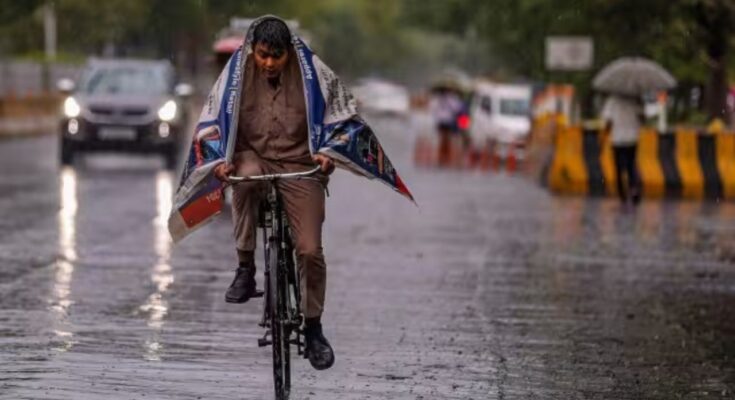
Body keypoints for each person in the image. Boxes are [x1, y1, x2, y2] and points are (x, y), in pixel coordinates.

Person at [212, 18, 336, 371]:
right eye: (263, 56)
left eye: (276, 57)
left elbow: (339, 121)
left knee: (310, 251)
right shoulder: (235, 77)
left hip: (301, 164)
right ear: (253, 52)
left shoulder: (314, 75)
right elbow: (215, 123)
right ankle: (245, 267)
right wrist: (222, 161)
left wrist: (328, 155)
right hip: (254, 158)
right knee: (243, 179)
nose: (268, 63)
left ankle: (313, 328)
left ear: (289, 54)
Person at [601, 94, 643, 205]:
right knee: (631, 165)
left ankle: (622, 194)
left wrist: (604, 136)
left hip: (617, 139)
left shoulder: (612, 102)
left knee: (619, 168)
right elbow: (642, 118)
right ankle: (633, 189)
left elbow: (608, 122)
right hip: (632, 138)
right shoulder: (634, 100)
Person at [429, 87, 465, 167]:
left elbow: (433, 108)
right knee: (446, 140)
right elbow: (457, 109)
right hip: (447, 120)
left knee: (442, 140)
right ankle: (444, 158)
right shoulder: (452, 98)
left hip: (441, 120)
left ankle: (441, 158)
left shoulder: (438, 98)